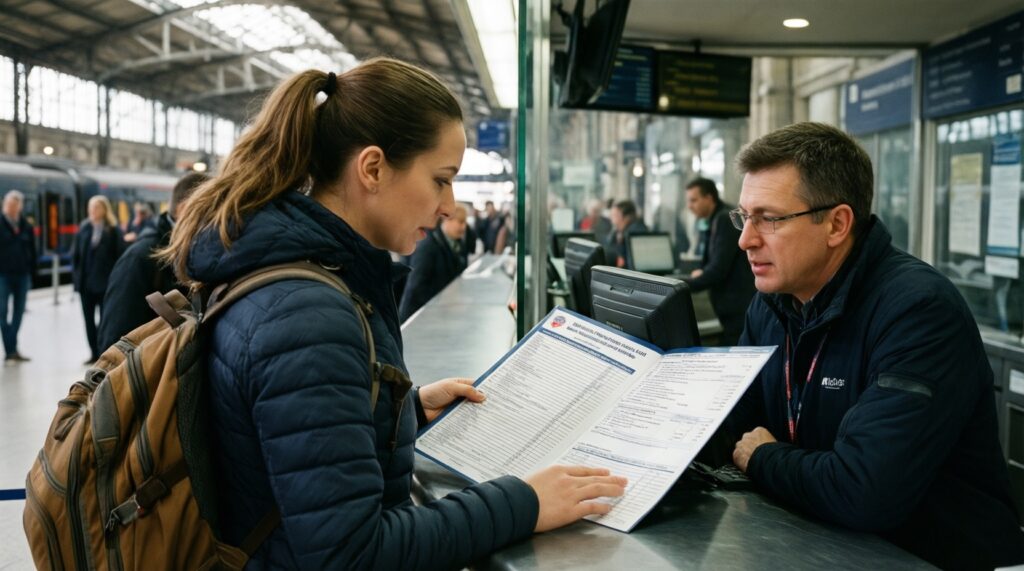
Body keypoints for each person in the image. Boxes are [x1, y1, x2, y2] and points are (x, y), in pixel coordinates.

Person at [158, 58, 626, 568]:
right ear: (373, 168)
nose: (449, 206)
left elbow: (284, 444)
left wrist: (400, 408)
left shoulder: (290, 275)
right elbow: (353, 555)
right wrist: (525, 501)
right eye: (441, 179)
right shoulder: (307, 314)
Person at [725, 122, 1024, 568]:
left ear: (837, 223)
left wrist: (764, 457)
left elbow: (863, 490)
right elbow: (725, 424)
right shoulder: (771, 304)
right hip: (820, 544)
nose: (745, 239)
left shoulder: (918, 311)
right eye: (744, 216)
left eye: (769, 218)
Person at [97, 172, 209, 350]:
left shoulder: (203, 256)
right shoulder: (140, 259)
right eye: (213, 211)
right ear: (185, 209)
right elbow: (113, 346)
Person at [682, 177, 755, 345]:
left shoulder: (724, 219)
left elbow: (718, 269)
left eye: (694, 200)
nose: (689, 206)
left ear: (709, 198)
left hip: (737, 308)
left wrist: (681, 284)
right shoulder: (713, 220)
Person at [73, 195, 125, 364]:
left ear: (104, 209)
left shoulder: (113, 230)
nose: (92, 211)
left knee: (104, 320)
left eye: (96, 208)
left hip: (105, 284)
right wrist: (76, 279)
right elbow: (76, 256)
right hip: (86, 285)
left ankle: (104, 352)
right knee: (88, 321)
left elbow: (120, 257)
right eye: (90, 208)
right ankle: (93, 353)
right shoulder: (84, 229)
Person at [399, 204, 469, 322]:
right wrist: (444, 302)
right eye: (460, 222)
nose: (464, 227)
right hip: (417, 318)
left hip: (437, 315)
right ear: (447, 220)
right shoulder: (428, 246)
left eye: (465, 223)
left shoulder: (457, 245)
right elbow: (416, 287)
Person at [0, 190, 35, 363]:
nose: (10, 208)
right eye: (8, 204)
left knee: (19, 312)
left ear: (19, 207)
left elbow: (33, 251)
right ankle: (11, 348)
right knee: (2, 311)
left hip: (22, 274)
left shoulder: (26, 226)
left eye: (14, 205)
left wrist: (32, 272)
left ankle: (11, 348)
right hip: (2, 275)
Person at [605, 199, 647, 269]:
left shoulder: (636, 231)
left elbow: (626, 263)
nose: (610, 218)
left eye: (614, 215)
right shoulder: (618, 232)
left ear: (627, 217)